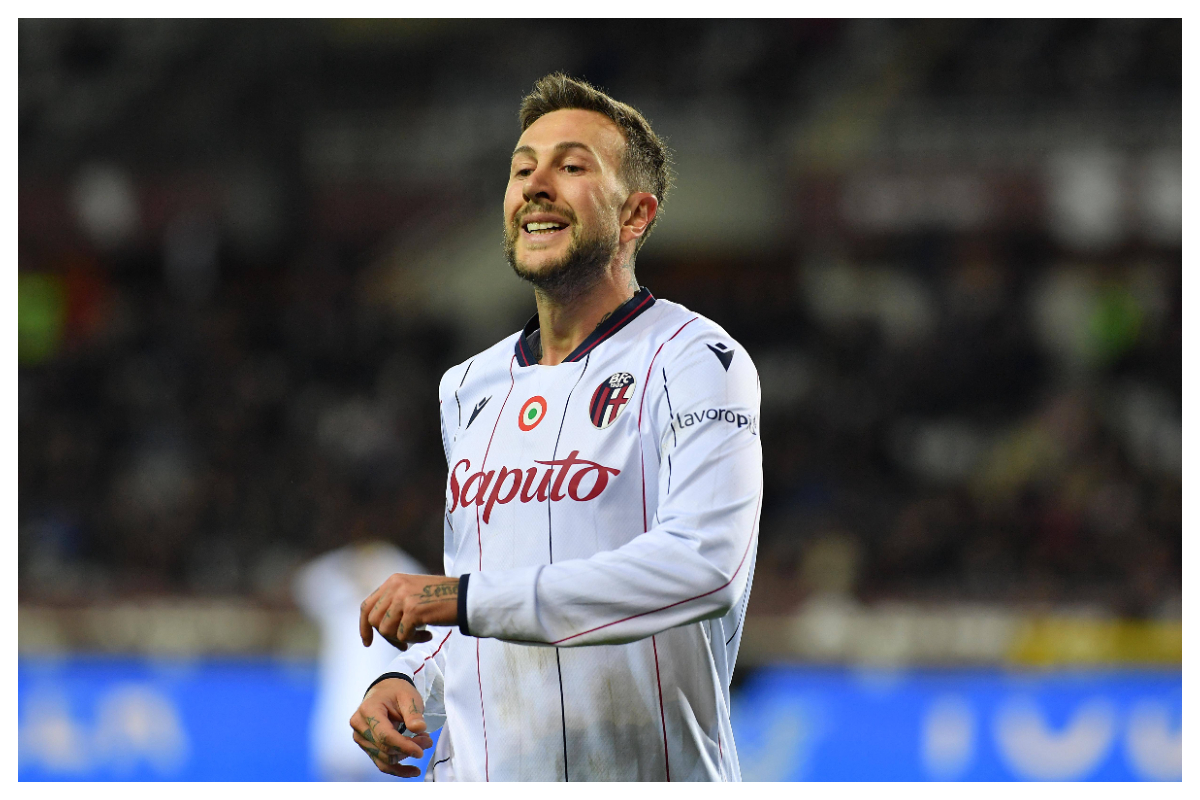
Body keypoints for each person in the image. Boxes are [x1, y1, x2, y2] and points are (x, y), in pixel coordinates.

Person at [350, 73, 762, 782]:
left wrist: (463, 599)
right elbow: (481, 607)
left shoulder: (696, 359)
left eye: (571, 167)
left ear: (635, 216)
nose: (536, 184)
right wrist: (411, 680)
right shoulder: (467, 387)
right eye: (521, 169)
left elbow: (704, 568)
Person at [293, 540, 429, 781]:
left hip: (389, 714)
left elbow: (421, 585)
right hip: (339, 716)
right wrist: (348, 561)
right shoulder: (339, 601)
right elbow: (306, 582)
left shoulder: (395, 611)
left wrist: (384, 561)